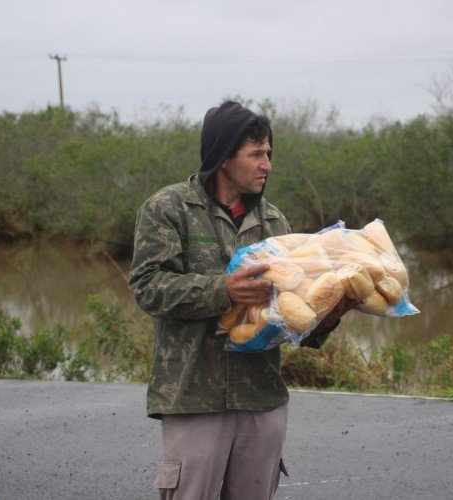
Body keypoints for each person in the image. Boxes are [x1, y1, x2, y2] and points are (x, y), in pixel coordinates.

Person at [128, 100, 352, 499]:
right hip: (194, 397)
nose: (267, 164)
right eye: (256, 154)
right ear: (223, 157)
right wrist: (223, 290)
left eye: (268, 153)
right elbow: (147, 286)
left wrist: (329, 314)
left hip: (261, 398)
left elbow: (288, 318)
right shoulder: (168, 209)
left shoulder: (274, 223)